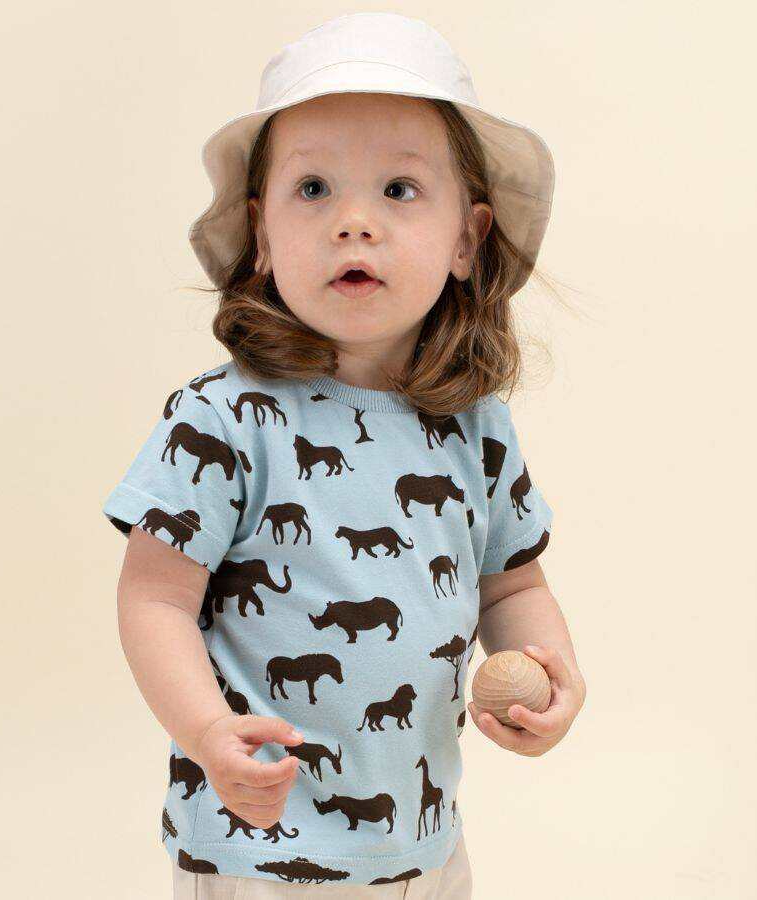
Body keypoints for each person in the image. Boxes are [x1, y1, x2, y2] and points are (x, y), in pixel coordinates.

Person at [102, 12, 586, 898]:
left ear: (467, 238)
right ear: (261, 234)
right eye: (314, 188)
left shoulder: (475, 424)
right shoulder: (223, 419)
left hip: (421, 842)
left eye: (399, 189)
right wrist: (208, 733)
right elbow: (153, 597)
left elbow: (510, 585)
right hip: (256, 840)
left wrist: (550, 672)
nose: (354, 222)